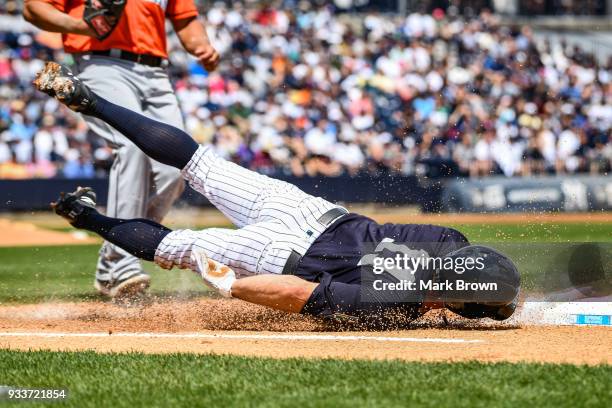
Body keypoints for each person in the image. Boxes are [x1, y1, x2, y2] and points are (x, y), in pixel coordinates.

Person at [35, 62, 520, 324]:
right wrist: (232, 286)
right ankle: (86, 216)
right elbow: (295, 294)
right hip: (280, 256)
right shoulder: (395, 305)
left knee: (199, 163)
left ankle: (93, 101)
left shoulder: (449, 240)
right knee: (175, 247)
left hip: (312, 211)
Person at [24, 0, 220, 297]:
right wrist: (79, 26)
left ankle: (114, 251)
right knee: (132, 146)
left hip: (156, 73)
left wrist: (203, 46)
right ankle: (122, 260)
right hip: (101, 62)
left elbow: (184, 18)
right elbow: (34, 8)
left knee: (177, 164)